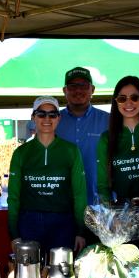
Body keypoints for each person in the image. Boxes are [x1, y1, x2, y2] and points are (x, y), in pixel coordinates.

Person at [8, 96, 87, 256]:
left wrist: (81, 231)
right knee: (29, 271)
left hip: (62, 223)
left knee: (60, 270)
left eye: (52, 114)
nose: (47, 119)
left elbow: (79, 194)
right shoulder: (21, 153)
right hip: (29, 222)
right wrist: (14, 233)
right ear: (33, 117)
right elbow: (13, 197)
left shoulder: (71, 151)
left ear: (59, 118)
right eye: (41, 114)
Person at [96, 75, 139, 265]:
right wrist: (110, 218)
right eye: (122, 98)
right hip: (123, 217)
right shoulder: (107, 138)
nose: (128, 103)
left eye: (134, 97)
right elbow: (102, 184)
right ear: (116, 102)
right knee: (130, 272)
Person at [56, 66, 110, 205]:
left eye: (84, 86)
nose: (78, 90)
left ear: (92, 89)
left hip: (100, 203)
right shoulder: (53, 121)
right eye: (72, 86)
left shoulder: (108, 120)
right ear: (65, 91)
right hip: (62, 202)